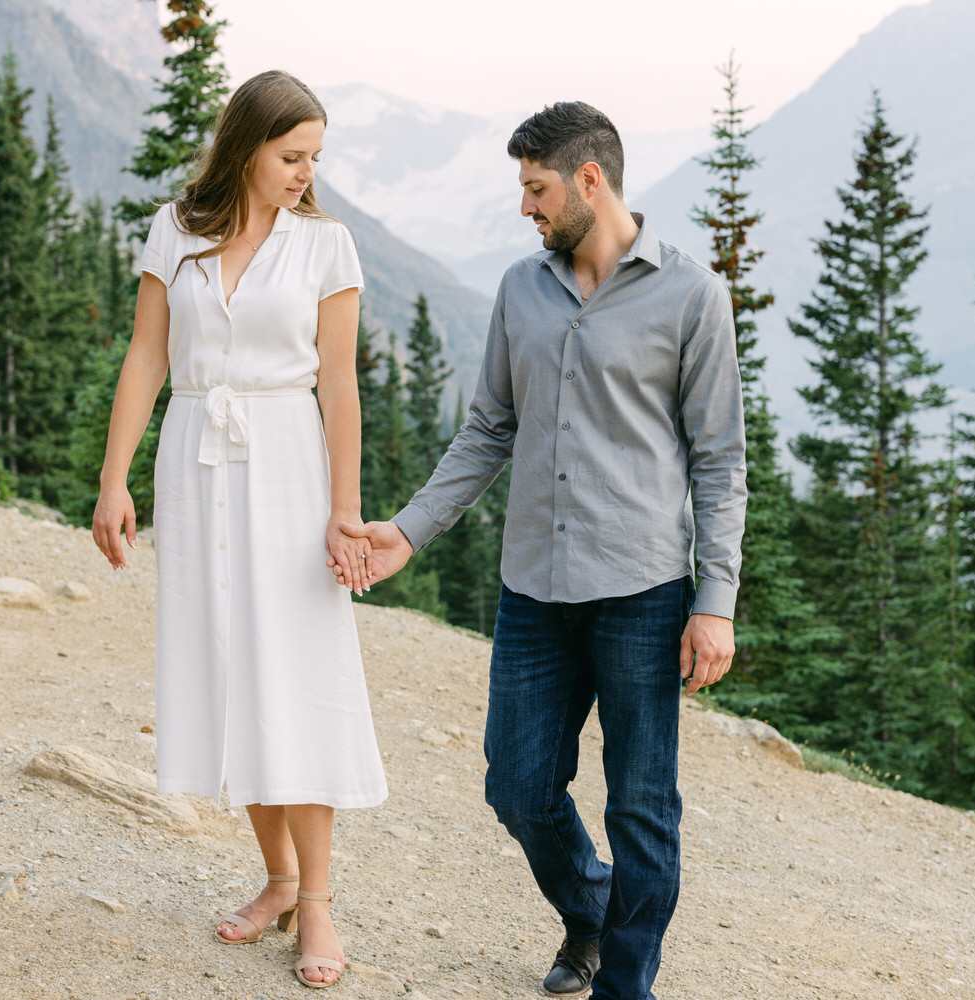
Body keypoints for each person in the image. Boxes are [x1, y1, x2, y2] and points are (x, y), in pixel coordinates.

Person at [340, 102, 746, 1000]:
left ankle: (624, 985)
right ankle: (591, 910)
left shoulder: (691, 297)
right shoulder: (522, 290)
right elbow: (488, 428)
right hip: (533, 588)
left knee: (642, 807)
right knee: (518, 788)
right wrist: (407, 531)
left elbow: (720, 461)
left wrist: (714, 601)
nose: (526, 208)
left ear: (589, 181)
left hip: (644, 591)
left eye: (536, 188)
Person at [92, 69, 386, 990]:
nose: (305, 172)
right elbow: (146, 355)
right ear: (246, 145)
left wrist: (345, 509)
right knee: (227, 669)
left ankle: (321, 905)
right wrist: (114, 480)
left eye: (315, 159)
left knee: (293, 674)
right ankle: (278, 880)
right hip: (194, 456)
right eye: (291, 155)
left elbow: (338, 384)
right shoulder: (176, 229)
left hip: (288, 464)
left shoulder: (325, 246)